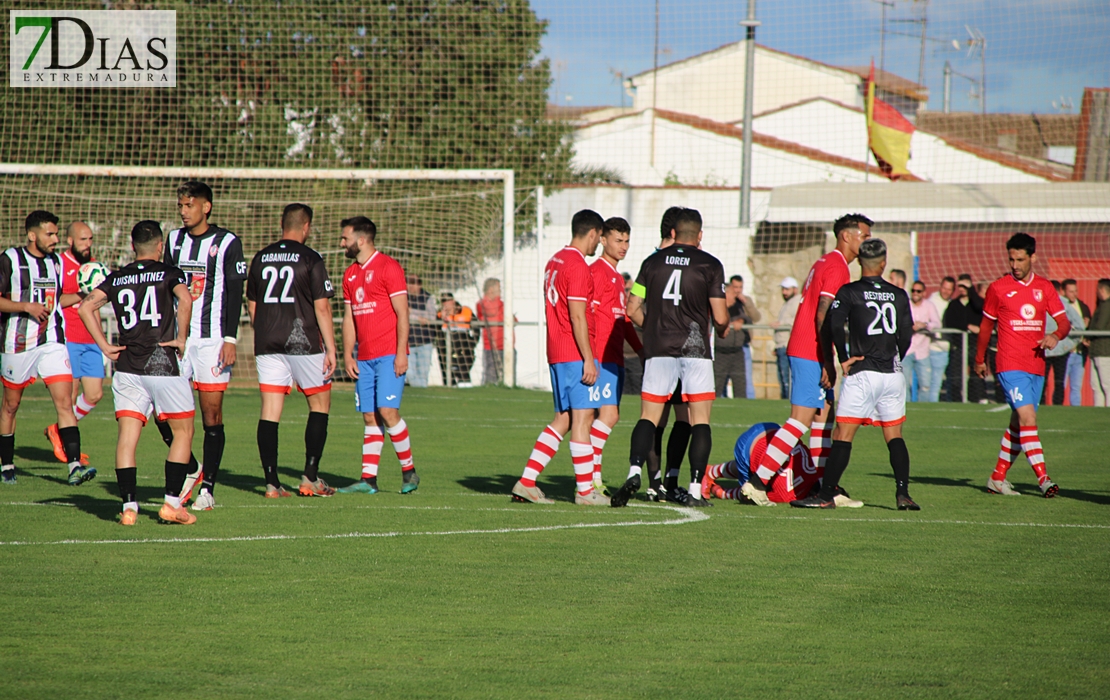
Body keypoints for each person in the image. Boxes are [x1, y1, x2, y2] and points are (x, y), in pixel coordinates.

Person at [77, 220, 196, 525]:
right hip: (162, 365)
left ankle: (129, 507)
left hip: (127, 367)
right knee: (183, 432)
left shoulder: (118, 277)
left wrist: (104, 345)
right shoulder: (170, 272)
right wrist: (181, 338)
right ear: (160, 247)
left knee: (127, 439)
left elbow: (85, 307)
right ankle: (171, 503)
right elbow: (185, 297)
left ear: (133, 247)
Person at [611, 207, 730, 508]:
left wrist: (652, 329)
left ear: (673, 233)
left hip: (659, 350)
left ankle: (634, 471)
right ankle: (693, 489)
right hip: (696, 351)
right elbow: (719, 316)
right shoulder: (710, 264)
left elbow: (632, 307)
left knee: (648, 417)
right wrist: (724, 327)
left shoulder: (651, 262)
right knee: (698, 420)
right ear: (699, 235)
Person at [791, 238, 919, 510]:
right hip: (892, 374)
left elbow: (834, 325)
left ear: (860, 262)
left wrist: (843, 358)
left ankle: (825, 495)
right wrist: (896, 357)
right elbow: (906, 335)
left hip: (862, 373)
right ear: (884, 264)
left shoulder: (849, 292)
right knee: (894, 436)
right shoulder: (898, 294)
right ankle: (903, 494)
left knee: (843, 435)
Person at [751, 214, 872, 495]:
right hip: (810, 350)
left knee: (823, 419)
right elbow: (822, 315)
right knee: (801, 419)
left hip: (811, 348)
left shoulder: (827, 262)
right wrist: (828, 361)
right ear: (847, 236)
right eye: (864, 236)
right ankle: (758, 482)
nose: (867, 241)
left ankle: (822, 485)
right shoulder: (837, 267)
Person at [161, 181, 247, 511]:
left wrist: (230, 339)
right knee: (163, 413)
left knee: (211, 414)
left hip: (212, 341)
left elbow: (235, 292)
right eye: (180, 205)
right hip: (179, 339)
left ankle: (207, 488)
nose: (183, 211)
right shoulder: (174, 240)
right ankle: (192, 467)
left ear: (206, 207)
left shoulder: (227, 242)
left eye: (189, 205)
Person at [511, 209, 607, 506]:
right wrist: (589, 359)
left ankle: (526, 482)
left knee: (563, 420)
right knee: (583, 419)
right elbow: (578, 316)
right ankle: (584, 493)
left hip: (556, 350)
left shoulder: (555, 260)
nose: (598, 244)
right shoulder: (578, 265)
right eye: (600, 237)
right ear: (592, 233)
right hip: (574, 352)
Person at [246, 203, 338, 499]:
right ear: (306, 226)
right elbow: (322, 306)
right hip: (304, 343)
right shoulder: (311, 258)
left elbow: (252, 306)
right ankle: (310, 477)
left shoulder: (261, 257)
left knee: (270, 412)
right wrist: (332, 347)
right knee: (320, 406)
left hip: (268, 342)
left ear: (282, 224)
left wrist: (264, 331)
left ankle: (272, 483)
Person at [0, 211, 91, 486]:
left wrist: (84, 295)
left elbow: (58, 298)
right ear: (32, 235)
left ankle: (75, 466)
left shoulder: (56, 263)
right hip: (17, 343)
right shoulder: (11, 260)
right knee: (11, 406)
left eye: (56, 234)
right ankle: (6, 464)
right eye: (49, 234)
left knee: (65, 402)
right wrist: (26, 307)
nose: (55, 240)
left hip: (52, 341)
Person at [975, 233, 1070, 498]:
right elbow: (985, 328)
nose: (1015, 265)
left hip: (1036, 365)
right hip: (1009, 363)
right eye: (1011, 259)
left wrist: (1055, 335)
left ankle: (997, 478)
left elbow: (1064, 323)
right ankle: (1044, 479)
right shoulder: (998, 288)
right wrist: (979, 359)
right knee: (1029, 418)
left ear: (1032, 257)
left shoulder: (1045, 287)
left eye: (1020, 259)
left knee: (1019, 424)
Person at [337, 216, 419, 495]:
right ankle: (368, 480)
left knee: (387, 412)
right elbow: (349, 317)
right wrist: (348, 354)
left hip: (388, 355)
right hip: (365, 357)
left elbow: (402, 313)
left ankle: (409, 472)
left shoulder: (389, 267)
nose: (342, 243)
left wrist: (400, 353)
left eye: (345, 238)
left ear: (361, 240)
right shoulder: (349, 274)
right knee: (370, 417)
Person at [587, 217, 642, 495]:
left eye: (626, 241)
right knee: (608, 415)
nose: (623, 246)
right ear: (603, 240)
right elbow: (588, 316)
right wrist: (591, 357)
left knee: (609, 415)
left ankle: (594, 477)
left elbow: (623, 320)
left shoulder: (618, 277)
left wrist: (641, 349)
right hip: (601, 357)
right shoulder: (597, 271)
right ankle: (589, 478)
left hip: (615, 357)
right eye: (618, 240)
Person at [44, 222, 100, 465]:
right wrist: (82, 294)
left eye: (90, 239)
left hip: (91, 338)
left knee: (95, 394)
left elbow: (96, 302)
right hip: (69, 338)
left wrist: (101, 337)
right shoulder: (59, 264)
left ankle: (57, 429)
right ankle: (71, 450)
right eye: (83, 240)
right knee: (71, 394)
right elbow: (55, 300)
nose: (88, 245)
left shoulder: (92, 264)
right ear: (70, 240)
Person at [701, 423, 820, 506]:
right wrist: (718, 491)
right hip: (747, 448)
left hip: (774, 432)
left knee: (764, 466)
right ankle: (719, 489)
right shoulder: (787, 496)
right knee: (752, 491)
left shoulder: (816, 471)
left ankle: (712, 471)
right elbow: (753, 494)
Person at [942, 274, 984, 403]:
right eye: (960, 286)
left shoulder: (976, 302)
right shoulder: (954, 305)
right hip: (959, 346)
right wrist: (967, 326)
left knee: (976, 374)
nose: (962, 288)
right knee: (955, 376)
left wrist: (971, 291)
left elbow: (981, 307)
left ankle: (977, 399)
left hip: (974, 345)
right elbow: (949, 322)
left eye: (965, 286)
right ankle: (957, 400)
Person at [1043, 281, 1084, 406]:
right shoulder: (1065, 305)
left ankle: (1040, 404)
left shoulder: (1061, 305)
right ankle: (1057, 406)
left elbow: (1080, 326)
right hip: (1060, 349)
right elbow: (1080, 326)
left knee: (1043, 380)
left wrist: (1070, 343)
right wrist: (1069, 344)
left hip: (1047, 348)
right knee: (1059, 380)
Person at [903, 280, 940, 402]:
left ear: (924, 293)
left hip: (923, 351)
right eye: (913, 290)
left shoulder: (929, 305)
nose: (915, 293)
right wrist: (910, 326)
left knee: (925, 385)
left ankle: (923, 409)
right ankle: (905, 410)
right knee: (903, 385)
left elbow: (937, 323)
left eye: (918, 291)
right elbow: (898, 322)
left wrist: (924, 325)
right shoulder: (905, 304)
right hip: (906, 350)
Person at [435, 293, 477, 387]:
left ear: (453, 301)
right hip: (446, 345)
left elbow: (476, 327)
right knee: (446, 365)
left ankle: (464, 382)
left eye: (448, 300)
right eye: (443, 301)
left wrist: (472, 342)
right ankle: (450, 384)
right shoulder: (439, 315)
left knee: (464, 364)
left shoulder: (466, 311)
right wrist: (441, 319)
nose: (446, 303)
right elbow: (435, 331)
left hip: (463, 344)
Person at [925, 276, 955, 402]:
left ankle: (949, 403)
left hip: (949, 348)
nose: (945, 291)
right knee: (933, 382)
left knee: (950, 382)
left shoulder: (952, 304)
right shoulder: (932, 301)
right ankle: (930, 407)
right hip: (934, 347)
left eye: (949, 289)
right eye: (944, 288)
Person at [1062, 279, 1090, 405]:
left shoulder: (1083, 307)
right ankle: (1058, 409)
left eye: (1076, 291)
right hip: (1066, 352)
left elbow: (1088, 327)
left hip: (1079, 352)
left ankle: (1076, 409)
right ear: (1064, 292)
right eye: (1071, 291)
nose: (1074, 294)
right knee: (1061, 383)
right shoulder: (1061, 307)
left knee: (1076, 386)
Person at [406, 275, 436, 388]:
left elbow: (431, 316)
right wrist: (420, 318)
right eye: (408, 283)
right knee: (409, 372)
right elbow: (402, 313)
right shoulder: (403, 297)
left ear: (420, 285)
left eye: (413, 283)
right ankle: (417, 390)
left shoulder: (428, 297)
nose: (411, 286)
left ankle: (421, 393)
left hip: (425, 341)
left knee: (423, 373)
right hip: (408, 341)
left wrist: (412, 313)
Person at [772, 277, 800, 400]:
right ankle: (785, 399)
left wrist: (781, 323)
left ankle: (789, 400)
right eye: (783, 289)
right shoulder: (788, 303)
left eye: (787, 289)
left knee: (787, 377)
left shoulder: (796, 301)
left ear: (795, 289)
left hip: (788, 345)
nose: (784, 292)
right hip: (781, 345)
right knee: (782, 377)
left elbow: (798, 319)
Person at [475, 278, 506, 385]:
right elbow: (492, 311)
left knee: (508, 377)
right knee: (491, 377)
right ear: (491, 289)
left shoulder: (502, 303)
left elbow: (511, 319)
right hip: (491, 346)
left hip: (506, 345)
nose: (501, 291)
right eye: (499, 288)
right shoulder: (482, 304)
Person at [1088, 279, 1110, 406]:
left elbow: (1099, 326)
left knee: (1106, 384)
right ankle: (1098, 411)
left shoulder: (1107, 305)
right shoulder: (1102, 305)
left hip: (1104, 351)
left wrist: (1088, 335)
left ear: (1102, 290)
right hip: (1096, 351)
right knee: (1096, 385)